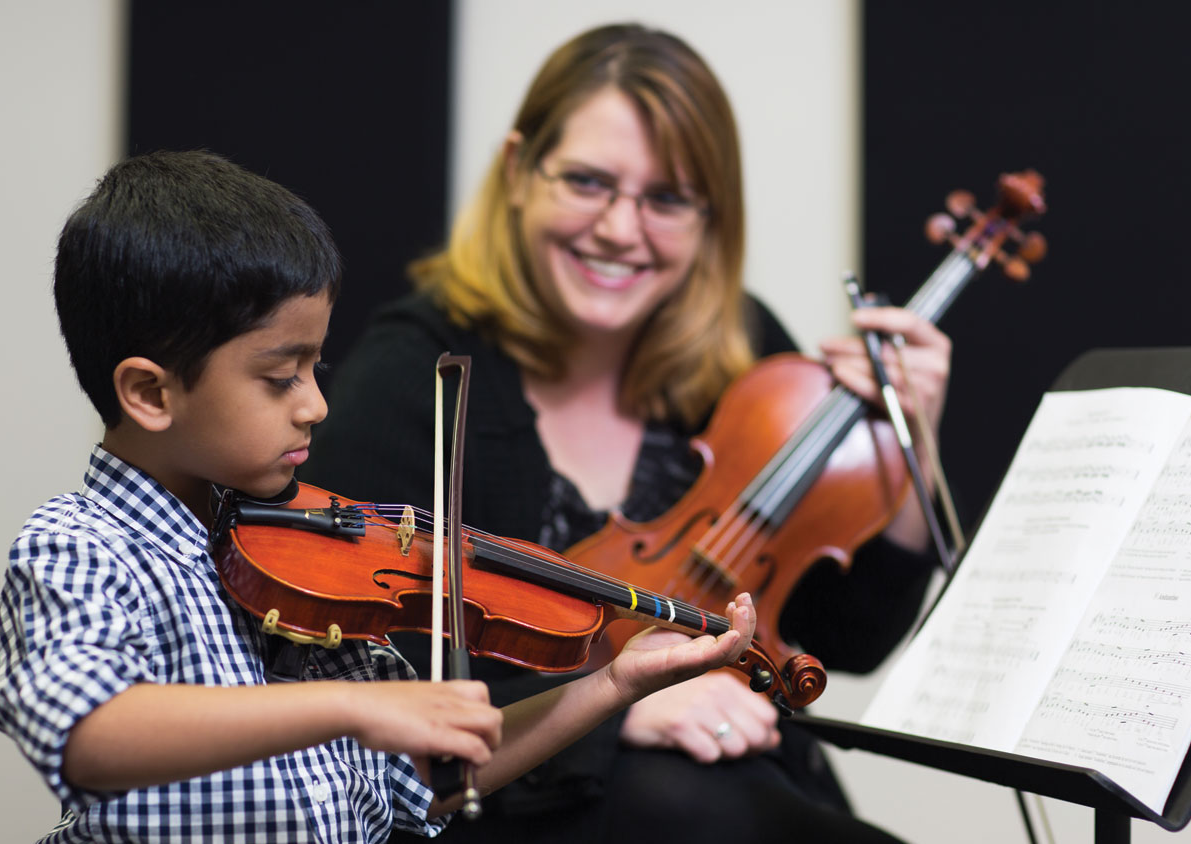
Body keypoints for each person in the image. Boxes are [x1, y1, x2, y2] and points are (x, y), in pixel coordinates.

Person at [0, 149, 763, 844]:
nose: (315, 405)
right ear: (149, 394)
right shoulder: (80, 548)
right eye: (278, 376)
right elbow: (90, 735)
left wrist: (610, 686)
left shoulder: (313, 553)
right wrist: (352, 709)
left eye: (316, 368)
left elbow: (421, 785)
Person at [300, 23, 953, 844]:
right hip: (512, 810)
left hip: (732, 784)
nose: (619, 227)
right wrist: (610, 708)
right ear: (517, 173)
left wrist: (911, 440)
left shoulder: (745, 355)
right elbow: (337, 678)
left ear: (711, 217)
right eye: (587, 181)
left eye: (667, 199)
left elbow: (843, 642)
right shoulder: (413, 375)